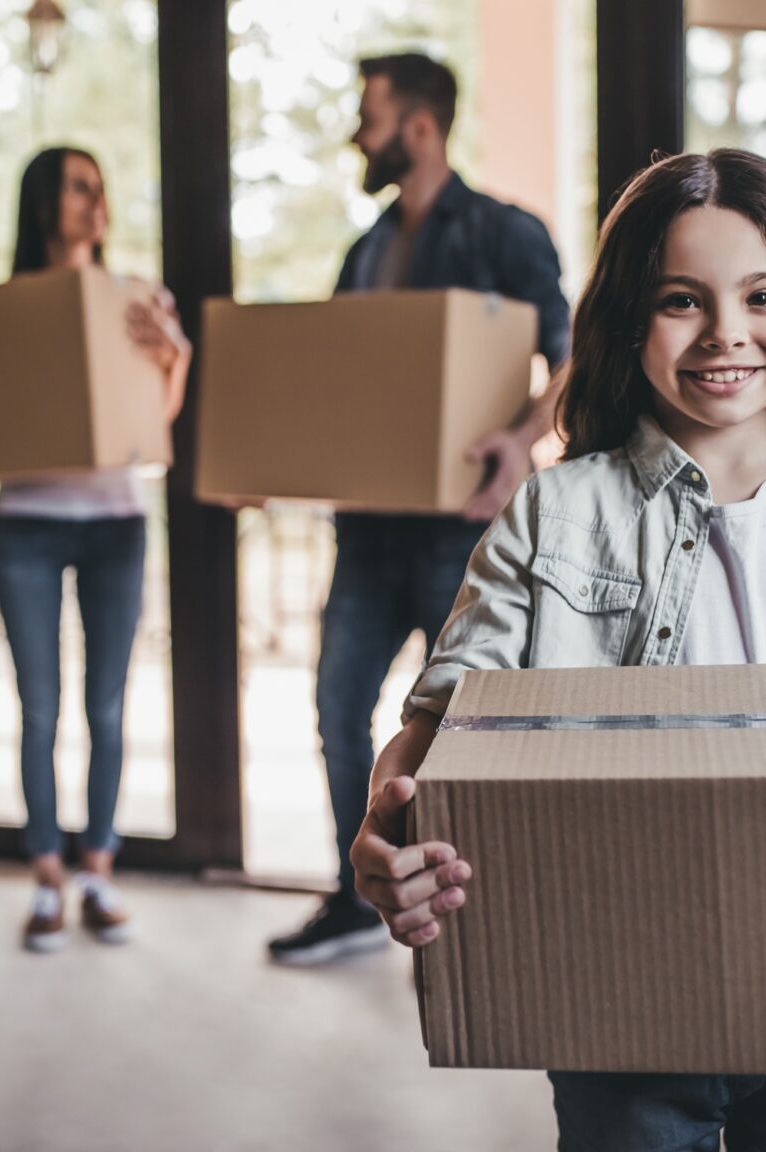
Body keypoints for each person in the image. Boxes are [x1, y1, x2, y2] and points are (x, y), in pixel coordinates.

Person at [352, 146, 766, 1149]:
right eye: (682, 300)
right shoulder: (556, 512)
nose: (729, 335)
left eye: (761, 296)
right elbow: (450, 711)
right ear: (629, 315)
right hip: (621, 997)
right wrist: (388, 824)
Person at [268, 52, 570, 965]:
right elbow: (336, 382)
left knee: (465, 731)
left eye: (371, 115)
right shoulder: (364, 251)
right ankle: (357, 893)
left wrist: (519, 441)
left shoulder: (506, 234)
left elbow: (571, 357)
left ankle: (467, 904)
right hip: (366, 533)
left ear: (422, 126)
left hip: (459, 538)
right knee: (337, 709)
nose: (360, 133)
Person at [0, 146, 191, 953]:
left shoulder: (137, 300)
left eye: (100, 189)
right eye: (79, 188)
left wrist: (171, 355)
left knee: (107, 706)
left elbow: (158, 419)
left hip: (116, 518)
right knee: (38, 708)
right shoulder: (9, 308)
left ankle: (98, 871)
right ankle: (46, 877)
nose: (95, 202)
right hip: (26, 522)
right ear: (44, 202)